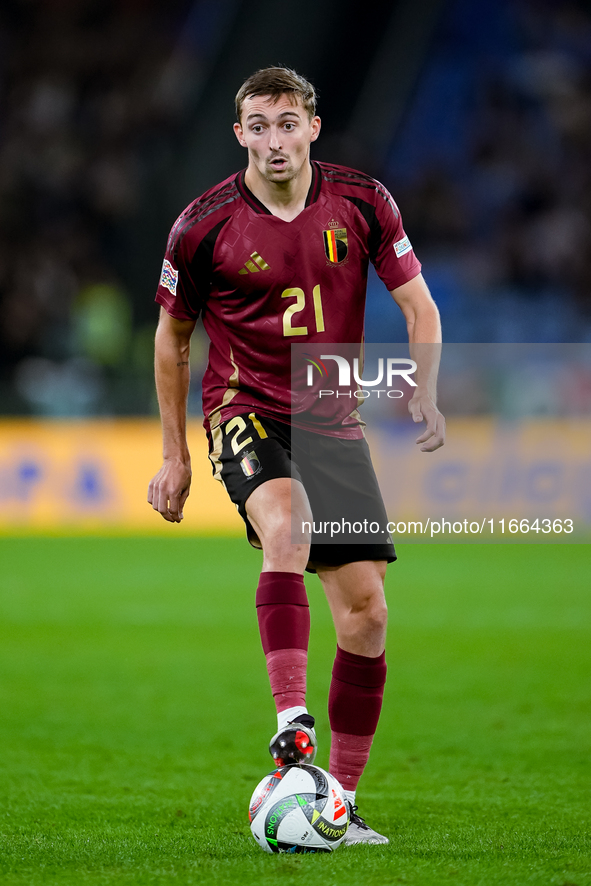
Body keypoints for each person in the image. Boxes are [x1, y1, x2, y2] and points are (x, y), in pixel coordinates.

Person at [148, 66, 445, 845]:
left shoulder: (363, 202)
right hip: (244, 405)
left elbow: (418, 304)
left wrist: (425, 386)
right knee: (289, 527)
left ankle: (335, 806)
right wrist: (176, 457)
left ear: (313, 125)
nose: (273, 140)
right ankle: (293, 725)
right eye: (258, 125)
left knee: (367, 614)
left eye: (287, 123)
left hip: (332, 417)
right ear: (238, 133)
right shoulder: (202, 225)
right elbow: (172, 341)